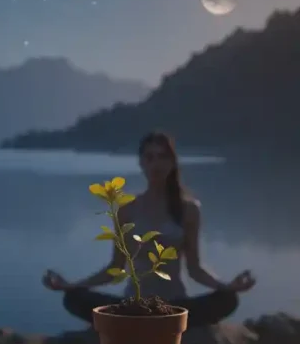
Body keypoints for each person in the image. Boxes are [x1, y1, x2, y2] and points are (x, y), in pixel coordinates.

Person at [43, 131, 256, 328]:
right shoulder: (127, 210)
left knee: (227, 300)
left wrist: (227, 286)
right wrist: (72, 285)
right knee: (73, 299)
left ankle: (159, 326)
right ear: (141, 163)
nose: (156, 163)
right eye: (150, 157)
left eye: (163, 157)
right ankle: (136, 324)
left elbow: (195, 269)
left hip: (174, 308)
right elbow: (115, 267)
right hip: (133, 307)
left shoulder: (189, 210)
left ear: (172, 162)